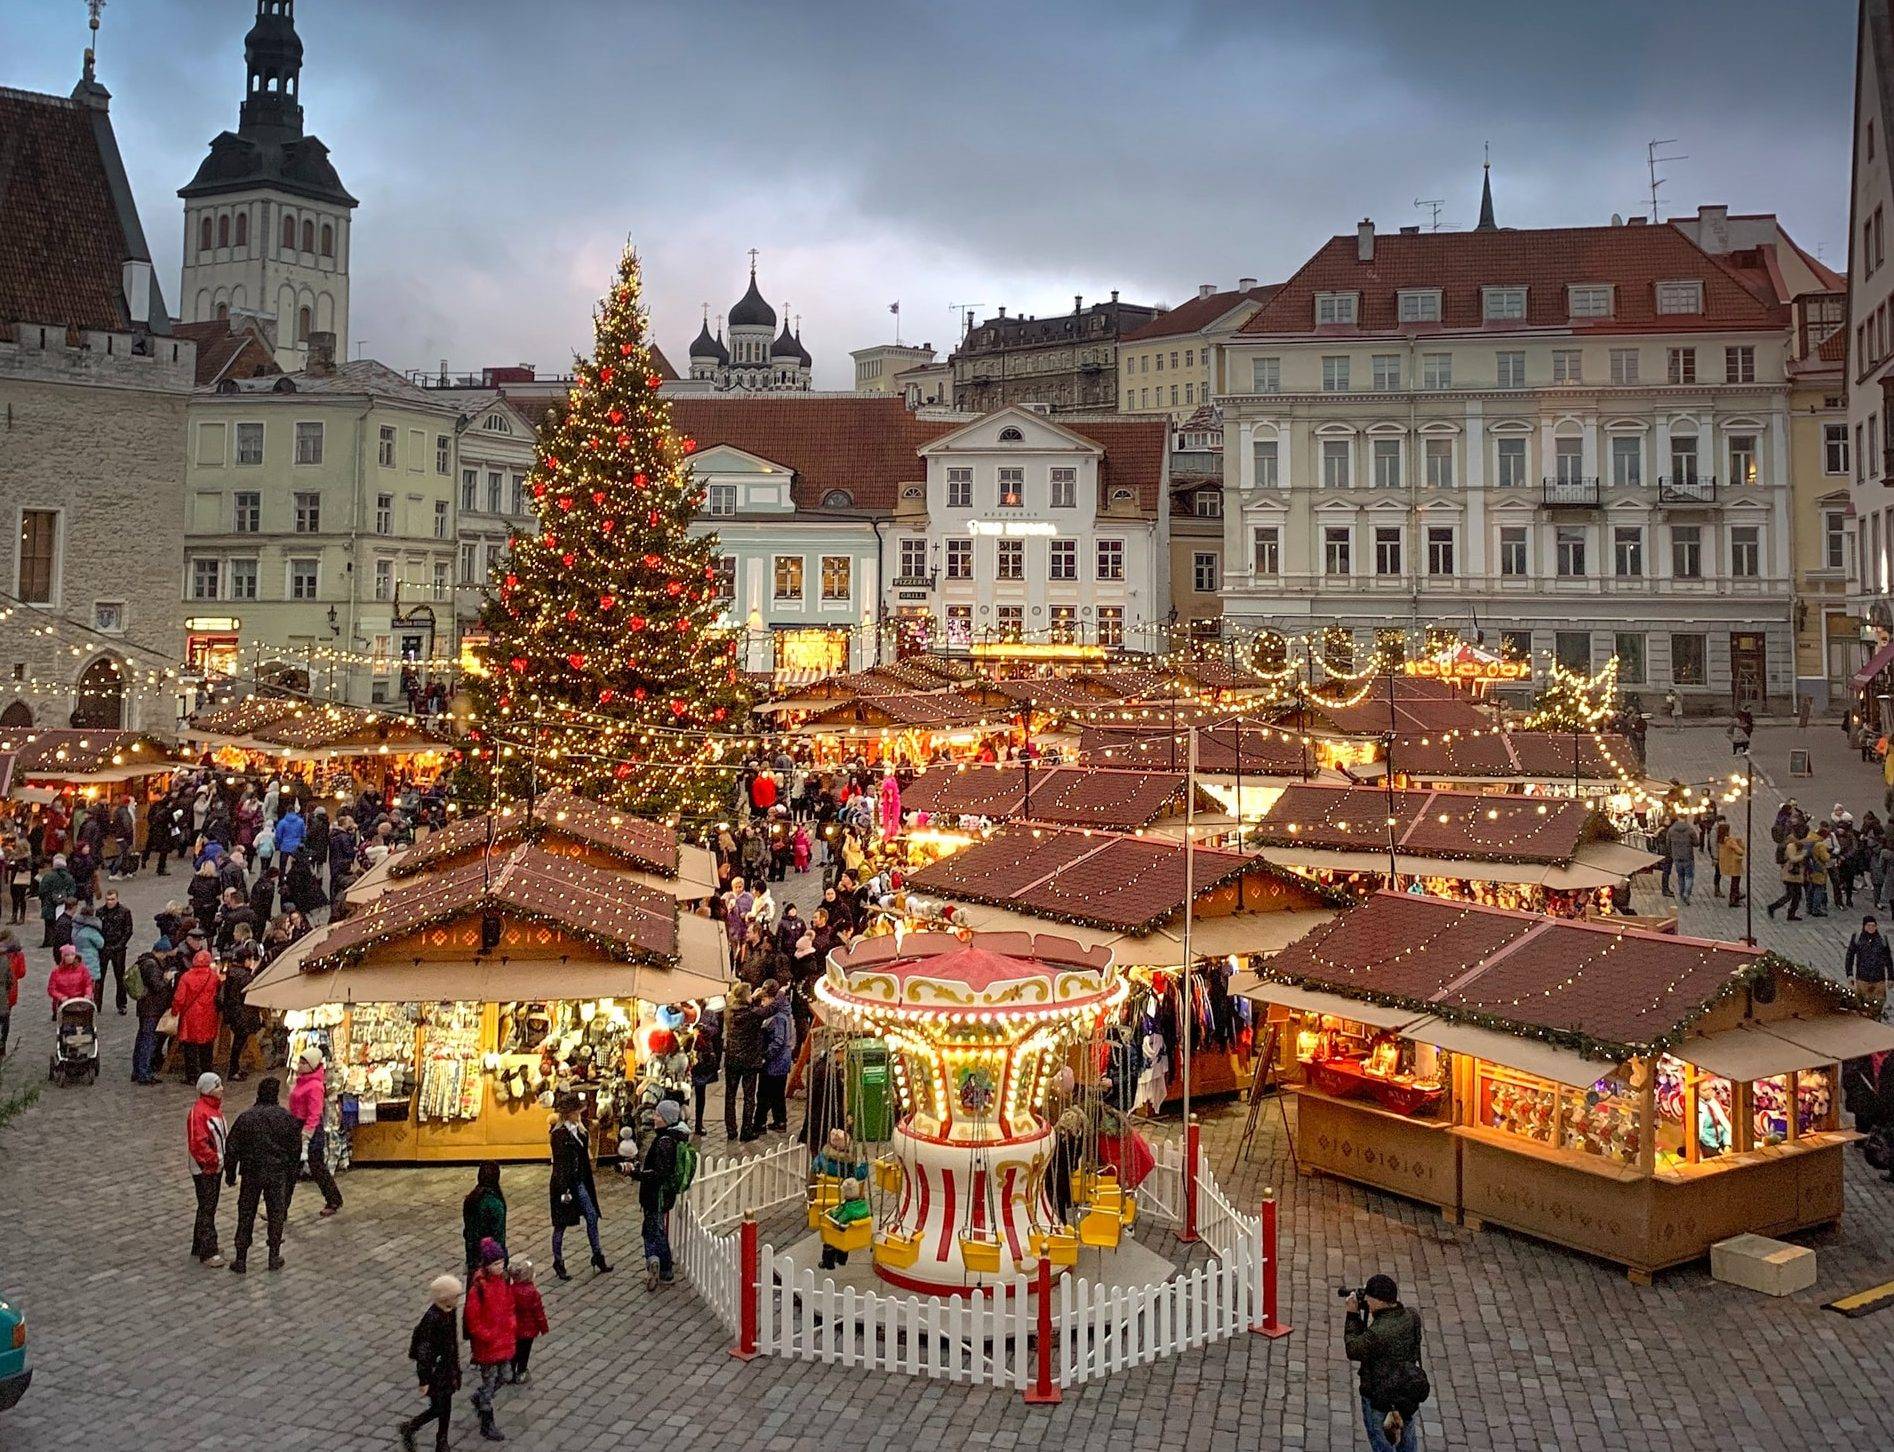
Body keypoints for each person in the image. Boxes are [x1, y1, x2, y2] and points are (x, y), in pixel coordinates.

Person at [224, 1075, 302, 1273]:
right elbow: (295, 1151)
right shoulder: (286, 1118)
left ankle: (241, 1258)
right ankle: (273, 1255)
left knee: (246, 1212)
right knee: (276, 1213)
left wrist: (231, 1174)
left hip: (251, 1173)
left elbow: (232, 1147)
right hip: (276, 1174)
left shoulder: (246, 1118)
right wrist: (291, 1175)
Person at [1344, 1273, 1426, 1452]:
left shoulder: (1378, 1333)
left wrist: (1352, 1316)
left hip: (1380, 1398)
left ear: (1379, 1301)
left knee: (1383, 1443)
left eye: (1369, 1299)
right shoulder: (1411, 1316)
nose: (1368, 1302)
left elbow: (1353, 1349)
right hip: (1405, 1395)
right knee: (1407, 1440)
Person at [548, 1094, 610, 1280]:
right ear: (569, 1114)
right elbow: (560, 1165)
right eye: (577, 1112)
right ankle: (558, 1262)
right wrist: (564, 1190)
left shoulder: (580, 1131)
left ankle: (597, 1255)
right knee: (560, 1225)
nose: (580, 1114)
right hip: (564, 1185)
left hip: (580, 1182)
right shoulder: (558, 1135)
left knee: (591, 1216)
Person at [398, 1275, 463, 1452]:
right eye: (456, 1295)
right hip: (436, 1371)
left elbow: (451, 1342)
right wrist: (424, 1380)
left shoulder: (450, 1310)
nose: (458, 1299)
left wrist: (455, 1368)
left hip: (447, 1367)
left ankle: (442, 1439)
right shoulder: (432, 1319)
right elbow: (423, 1354)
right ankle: (411, 1427)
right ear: (445, 1297)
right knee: (438, 1407)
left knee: (446, 1405)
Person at [462, 1239, 514, 1443]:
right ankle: (486, 1419)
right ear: (486, 1265)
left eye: (501, 1262)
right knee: (490, 1380)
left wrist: (511, 1325)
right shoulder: (479, 1289)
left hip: (505, 1341)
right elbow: (473, 1321)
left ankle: (481, 1396)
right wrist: (489, 1335)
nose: (499, 1267)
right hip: (488, 1347)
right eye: (495, 1264)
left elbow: (509, 1306)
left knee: (505, 1376)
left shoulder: (504, 1280)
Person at [636, 1100, 687, 1288]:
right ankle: (661, 1266)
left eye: (658, 1115)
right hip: (662, 1195)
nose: (654, 1117)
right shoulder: (670, 1137)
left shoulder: (665, 1142)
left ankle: (657, 1264)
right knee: (655, 1229)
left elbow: (658, 1173)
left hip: (656, 1195)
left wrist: (637, 1174)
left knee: (653, 1231)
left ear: (666, 1119)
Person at [288, 1045, 343, 1216]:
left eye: (303, 1063)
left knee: (316, 1166)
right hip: (298, 1126)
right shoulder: (302, 1080)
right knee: (291, 1169)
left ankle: (333, 1199)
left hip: (309, 1130)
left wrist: (306, 1134)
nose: (299, 1065)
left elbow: (314, 1113)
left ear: (311, 1065)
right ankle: (279, 1209)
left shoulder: (314, 1086)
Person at [186, 1071, 227, 1268]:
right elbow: (198, 1144)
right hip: (205, 1169)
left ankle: (199, 1244)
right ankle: (208, 1250)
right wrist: (213, 1161)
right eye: (217, 1086)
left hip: (213, 1166)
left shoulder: (212, 1108)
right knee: (207, 1208)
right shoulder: (200, 1112)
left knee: (206, 1206)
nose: (222, 1089)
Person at [170, 949, 223, 1082]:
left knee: (190, 1047)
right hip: (208, 1014)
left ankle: (191, 1076)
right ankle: (207, 1073)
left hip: (190, 1015)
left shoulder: (186, 977)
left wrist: (175, 1011)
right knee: (206, 1046)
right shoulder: (213, 977)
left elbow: (179, 998)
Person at [132, 938, 177, 1085]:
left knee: (142, 1039)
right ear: (161, 952)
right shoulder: (151, 965)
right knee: (148, 1041)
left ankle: (138, 1070)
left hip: (147, 1008)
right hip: (151, 1009)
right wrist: (167, 979)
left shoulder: (146, 962)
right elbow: (157, 986)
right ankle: (144, 1073)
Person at [751, 982, 793, 1137]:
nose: (762, 1004)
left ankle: (759, 1124)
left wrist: (765, 1056)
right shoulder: (783, 1013)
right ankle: (780, 1121)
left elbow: (778, 1041)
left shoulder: (777, 1018)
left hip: (775, 1063)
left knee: (764, 1093)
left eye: (764, 1000)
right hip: (781, 1062)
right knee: (777, 1094)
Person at [723, 982, 762, 1141]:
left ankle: (731, 1129)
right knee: (749, 1097)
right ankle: (746, 1130)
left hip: (732, 1058)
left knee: (730, 1095)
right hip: (749, 1061)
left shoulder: (728, 1012)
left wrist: (750, 998)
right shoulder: (752, 1014)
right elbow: (765, 1011)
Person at [506, 1261, 548, 1386]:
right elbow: (538, 1312)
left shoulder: (510, 1291)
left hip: (514, 1329)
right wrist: (543, 1327)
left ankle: (510, 1372)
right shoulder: (533, 1293)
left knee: (514, 1351)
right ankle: (522, 1372)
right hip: (528, 1330)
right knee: (524, 1352)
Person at [462, 1161, 508, 1275]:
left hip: (473, 1256)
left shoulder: (471, 1199)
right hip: (490, 1260)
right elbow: (498, 1236)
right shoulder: (495, 1204)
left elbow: (467, 1231)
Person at [821, 1175, 871, 1271]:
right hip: (858, 1235)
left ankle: (828, 1263)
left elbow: (838, 1219)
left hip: (846, 1236)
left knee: (830, 1238)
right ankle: (842, 1260)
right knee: (846, 1233)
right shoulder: (863, 1205)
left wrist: (832, 1212)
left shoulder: (847, 1210)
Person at [1847, 916, 1893, 1018]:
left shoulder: (1882, 939)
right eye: (1869, 925)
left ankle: (1876, 1020)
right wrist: (1849, 974)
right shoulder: (1857, 938)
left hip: (1879, 980)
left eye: (1874, 926)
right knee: (1861, 1006)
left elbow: (1888, 958)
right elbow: (1850, 956)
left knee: (1878, 1005)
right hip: (1862, 979)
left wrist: (1891, 977)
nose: (1871, 928)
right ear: (1864, 927)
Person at [689, 1007, 722, 1136]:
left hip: (702, 1058)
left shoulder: (708, 1013)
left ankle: (698, 1123)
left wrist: (703, 1029)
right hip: (687, 1054)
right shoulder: (686, 1008)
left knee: (700, 1092)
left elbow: (715, 1030)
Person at [1767, 830, 1810, 922]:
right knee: (1789, 895)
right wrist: (1803, 855)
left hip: (1797, 875)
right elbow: (1793, 859)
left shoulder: (1800, 846)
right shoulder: (1791, 846)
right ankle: (1772, 907)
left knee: (1797, 896)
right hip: (1790, 874)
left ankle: (1791, 914)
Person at [34, 855, 74, 947]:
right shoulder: (69, 877)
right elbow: (72, 891)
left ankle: (48, 941)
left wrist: (44, 899)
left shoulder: (48, 876)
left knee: (49, 923)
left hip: (49, 903)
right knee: (62, 921)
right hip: (64, 903)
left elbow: (41, 890)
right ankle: (61, 940)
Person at [46, 943, 92, 1016]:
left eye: (72, 955)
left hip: (80, 1000)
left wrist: (88, 994)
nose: (70, 957)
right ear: (63, 957)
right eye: (67, 955)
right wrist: (61, 997)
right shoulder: (56, 972)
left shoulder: (83, 969)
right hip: (64, 1001)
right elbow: (51, 989)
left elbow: (88, 984)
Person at [1665, 814, 1696, 907]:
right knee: (1689, 876)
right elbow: (1696, 843)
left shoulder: (1671, 830)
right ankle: (1687, 893)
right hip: (1688, 856)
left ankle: (1682, 894)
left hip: (1677, 857)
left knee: (1680, 876)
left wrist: (1672, 853)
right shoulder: (1690, 830)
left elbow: (1668, 844)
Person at [0, 928, 22, 1058]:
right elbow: (21, 972)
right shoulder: (18, 954)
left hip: (5, 989)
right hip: (10, 991)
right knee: (5, 1018)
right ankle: (3, 1045)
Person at [1718, 826, 1746, 909]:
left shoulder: (1721, 841)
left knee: (1734, 882)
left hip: (1729, 864)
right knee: (1735, 883)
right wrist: (1740, 843)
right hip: (1734, 864)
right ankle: (1733, 899)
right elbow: (1740, 851)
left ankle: (1734, 897)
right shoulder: (1730, 841)